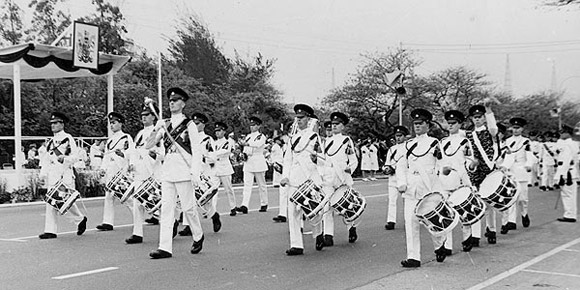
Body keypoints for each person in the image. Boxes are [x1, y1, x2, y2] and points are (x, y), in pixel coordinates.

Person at [147, 87, 205, 259]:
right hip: (168, 171)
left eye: (176, 100)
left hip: (184, 171)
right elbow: (148, 145)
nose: (172, 103)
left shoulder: (189, 125)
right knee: (166, 209)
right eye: (170, 101)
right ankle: (164, 247)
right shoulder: (163, 124)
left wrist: (195, 172)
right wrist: (155, 129)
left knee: (188, 208)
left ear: (183, 103)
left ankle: (198, 235)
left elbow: (196, 150)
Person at [396, 108, 447, 268]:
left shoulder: (434, 143)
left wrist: (443, 173)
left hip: (428, 188)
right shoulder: (408, 145)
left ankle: (440, 245)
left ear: (428, 125)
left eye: (420, 123)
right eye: (415, 124)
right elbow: (401, 166)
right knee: (410, 222)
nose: (417, 126)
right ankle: (413, 257)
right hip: (412, 187)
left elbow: (441, 163)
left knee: (432, 221)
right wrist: (401, 183)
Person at [281, 104, 325, 256]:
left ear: (309, 119)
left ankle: (318, 233)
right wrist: (285, 176)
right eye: (297, 118)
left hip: (310, 177)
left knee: (314, 210)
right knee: (292, 212)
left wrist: (316, 159)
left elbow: (323, 159)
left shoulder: (314, 137)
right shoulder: (292, 139)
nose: (299, 121)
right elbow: (287, 159)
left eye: (302, 118)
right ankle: (296, 245)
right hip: (294, 178)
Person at [38, 112, 87, 239]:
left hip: (65, 174)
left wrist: (65, 158)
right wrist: (43, 175)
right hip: (53, 175)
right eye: (51, 123)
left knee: (65, 201)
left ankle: (80, 218)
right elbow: (46, 161)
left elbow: (76, 157)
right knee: (51, 202)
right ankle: (50, 230)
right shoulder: (50, 142)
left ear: (62, 124)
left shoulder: (68, 138)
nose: (52, 126)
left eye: (55, 123)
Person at [125, 103, 164, 244]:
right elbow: (134, 152)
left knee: (157, 203)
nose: (144, 118)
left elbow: (162, 153)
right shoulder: (140, 134)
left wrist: (156, 156)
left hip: (152, 172)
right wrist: (131, 165)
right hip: (139, 172)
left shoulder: (158, 132)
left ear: (153, 117)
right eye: (142, 116)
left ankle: (170, 223)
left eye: (146, 115)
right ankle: (137, 233)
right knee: (137, 203)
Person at [179, 113, 222, 235]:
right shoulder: (187, 137)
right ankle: (188, 226)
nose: (195, 126)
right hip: (189, 171)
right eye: (193, 123)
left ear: (203, 124)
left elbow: (213, 157)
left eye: (197, 123)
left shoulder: (207, 139)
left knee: (205, 200)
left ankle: (214, 216)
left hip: (203, 172)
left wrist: (201, 158)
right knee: (188, 199)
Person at [440, 110, 476, 252]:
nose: (450, 126)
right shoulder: (443, 142)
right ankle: (447, 245)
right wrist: (443, 171)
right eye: (449, 123)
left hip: (460, 179)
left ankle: (467, 238)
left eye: (453, 123)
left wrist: (472, 165)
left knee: (464, 211)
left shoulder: (465, 141)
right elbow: (441, 162)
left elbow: (468, 161)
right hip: (445, 180)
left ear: (460, 124)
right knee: (446, 214)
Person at [320, 111, 359, 246]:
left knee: (345, 205)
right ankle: (328, 235)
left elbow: (353, 159)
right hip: (328, 176)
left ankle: (351, 227)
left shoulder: (346, 140)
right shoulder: (326, 142)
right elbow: (323, 160)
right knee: (327, 206)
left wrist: (350, 169)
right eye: (333, 124)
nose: (334, 126)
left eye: (337, 124)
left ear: (343, 126)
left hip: (341, 176)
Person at [465, 102, 500, 245]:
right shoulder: (469, 134)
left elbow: (493, 127)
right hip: (476, 171)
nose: (477, 119)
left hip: (489, 169)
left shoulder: (490, 131)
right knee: (476, 202)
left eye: (480, 117)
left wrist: (489, 110)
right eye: (474, 117)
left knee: (489, 202)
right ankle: (476, 235)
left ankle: (491, 230)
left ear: (484, 118)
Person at [96, 112, 134, 231]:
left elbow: (131, 152)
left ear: (120, 123)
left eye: (114, 123)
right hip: (111, 172)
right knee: (109, 196)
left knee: (127, 198)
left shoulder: (126, 137)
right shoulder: (110, 140)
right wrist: (103, 169)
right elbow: (106, 157)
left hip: (121, 170)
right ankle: (108, 222)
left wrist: (123, 155)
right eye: (110, 123)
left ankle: (139, 217)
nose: (111, 125)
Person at [500, 117, 535, 234]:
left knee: (522, 198)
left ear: (522, 129)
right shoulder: (508, 141)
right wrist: (504, 166)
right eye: (514, 128)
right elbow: (508, 157)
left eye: (518, 128)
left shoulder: (526, 141)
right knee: (511, 197)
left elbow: (529, 155)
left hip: (522, 169)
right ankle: (511, 221)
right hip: (511, 171)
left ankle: (524, 214)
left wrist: (529, 165)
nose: (515, 130)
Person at [238, 116, 269, 214]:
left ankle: (264, 203)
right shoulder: (248, 136)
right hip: (249, 162)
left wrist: (246, 144)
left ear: (258, 126)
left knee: (261, 185)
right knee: (247, 185)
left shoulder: (261, 136)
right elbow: (245, 148)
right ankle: (244, 205)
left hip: (258, 160)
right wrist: (243, 153)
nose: (252, 127)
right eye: (251, 125)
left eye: (254, 125)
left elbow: (258, 144)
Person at [210, 121, 239, 217]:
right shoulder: (213, 142)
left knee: (228, 189)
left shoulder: (228, 141)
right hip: (215, 167)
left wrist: (213, 154)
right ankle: (212, 210)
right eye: (216, 131)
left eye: (219, 131)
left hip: (224, 167)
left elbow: (225, 151)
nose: (217, 133)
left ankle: (233, 207)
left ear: (224, 131)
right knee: (213, 189)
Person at [383, 125, 408, 230]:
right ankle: (391, 221)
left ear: (405, 136)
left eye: (400, 136)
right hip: (393, 178)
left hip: (405, 178)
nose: (398, 138)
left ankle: (408, 220)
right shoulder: (392, 149)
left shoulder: (409, 147)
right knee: (392, 200)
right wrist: (387, 169)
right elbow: (387, 163)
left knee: (406, 201)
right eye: (397, 136)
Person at [554, 125, 578, 223]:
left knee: (568, 194)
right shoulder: (573, 144)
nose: (561, 134)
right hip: (571, 171)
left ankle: (570, 215)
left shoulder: (567, 145)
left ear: (568, 133)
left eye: (563, 132)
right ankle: (570, 214)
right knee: (569, 194)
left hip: (567, 172)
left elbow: (566, 161)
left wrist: (562, 175)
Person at [272, 135, 288, 222]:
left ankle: (302, 213)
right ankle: (282, 214)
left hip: (296, 171)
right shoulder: (283, 146)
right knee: (283, 193)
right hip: (285, 171)